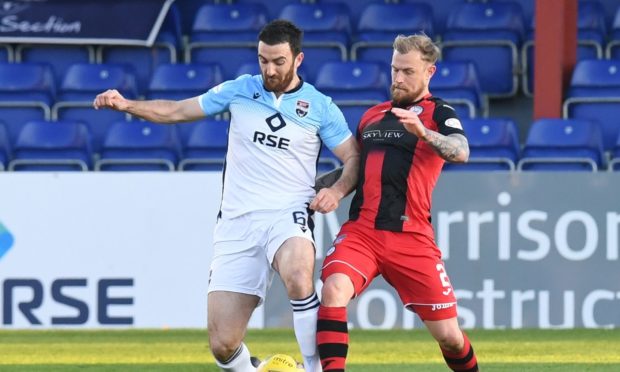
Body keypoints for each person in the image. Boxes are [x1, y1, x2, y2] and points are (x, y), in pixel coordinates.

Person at [94, 20, 359, 372]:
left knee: (298, 274)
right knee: (222, 344)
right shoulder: (239, 91)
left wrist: (337, 191)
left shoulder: (320, 107)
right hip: (237, 222)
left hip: (288, 213)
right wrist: (128, 105)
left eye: (278, 61)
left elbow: (354, 157)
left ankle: (314, 368)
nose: (269, 69)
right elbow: (176, 111)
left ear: (298, 59)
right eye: (263, 60)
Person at [315, 34, 479, 372]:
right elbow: (354, 169)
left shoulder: (439, 112)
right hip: (362, 232)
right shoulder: (372, 116)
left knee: (449, 336)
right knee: (333, 291)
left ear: (429, 72)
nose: (398, 78)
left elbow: (461, 151)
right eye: (394, 70)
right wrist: (315, 189)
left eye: (407, 71)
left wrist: (423, 133)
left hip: (411, 237)